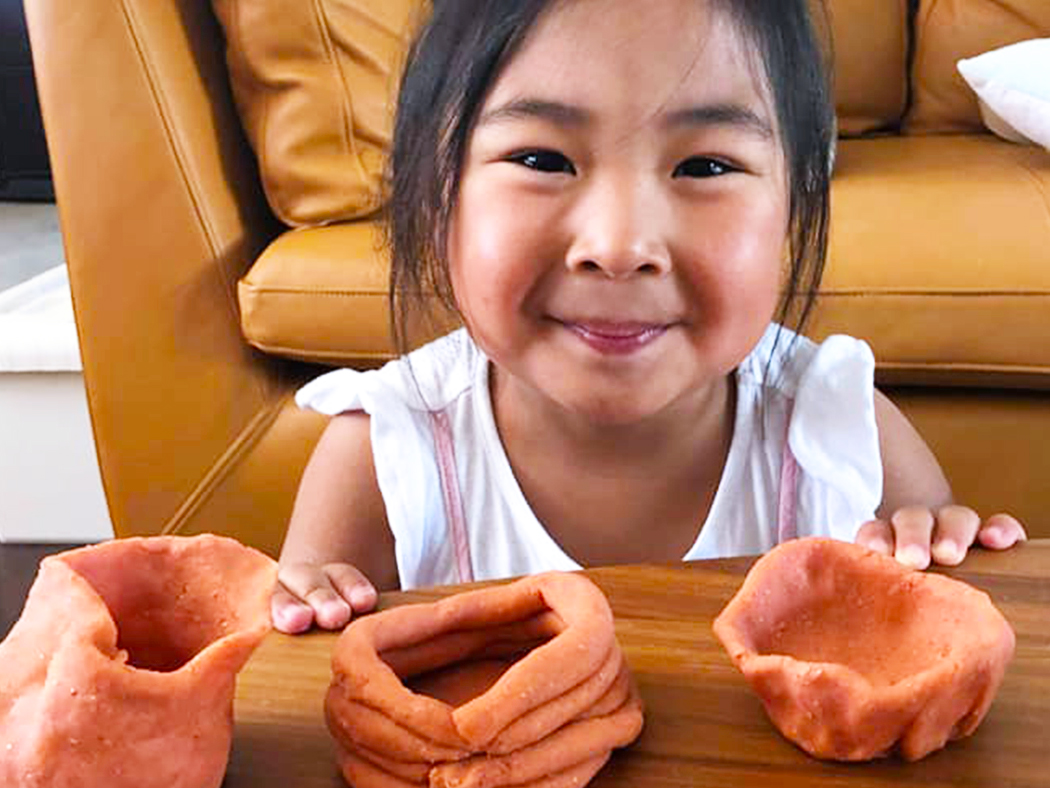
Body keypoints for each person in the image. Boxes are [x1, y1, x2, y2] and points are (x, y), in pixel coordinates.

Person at [270, 0, 1027, 634]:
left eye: (705, 166)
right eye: (542, 160)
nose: (619, 246)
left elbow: (942, 641)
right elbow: (308, 691)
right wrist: (305, 612)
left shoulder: (845, 438)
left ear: (793, 210)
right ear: (438, 193)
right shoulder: (386, 459)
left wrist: (935, 550)